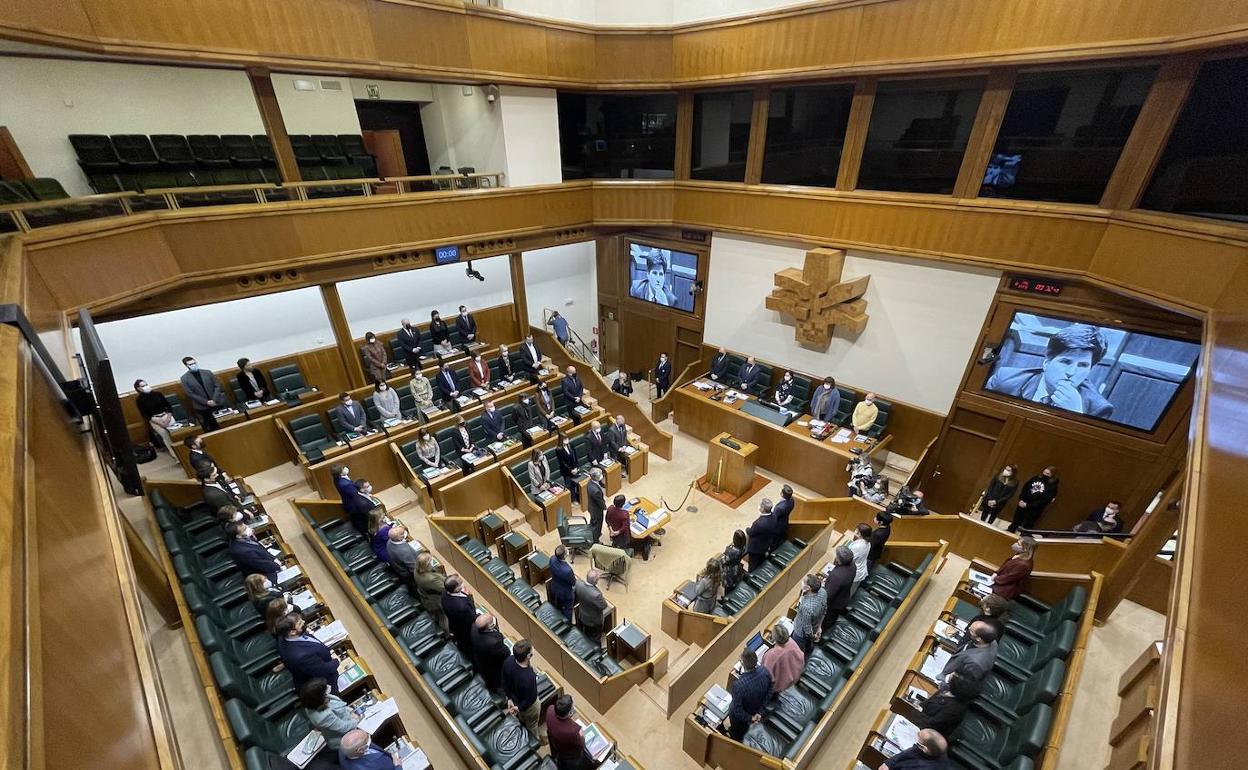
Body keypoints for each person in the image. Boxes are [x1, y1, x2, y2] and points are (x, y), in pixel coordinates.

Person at [986, 323, 1114, 418]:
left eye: (1083, 365)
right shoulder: (1005, 379)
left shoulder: (1098, 409)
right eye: (1065, 362)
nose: (1071, 372)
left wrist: (1075, 416)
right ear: (1047, 361)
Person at [276, 613, 340, 692]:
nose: (303, 622)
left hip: (318, 658)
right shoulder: (301, 657)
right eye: (299, 623)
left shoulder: (283, 637)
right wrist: (336, 661)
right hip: (324, 681)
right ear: (292, 632)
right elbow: (323, 670)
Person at [300, 678, 359, 750]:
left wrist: (350, 711)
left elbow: (339, 705)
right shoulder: (324, 716)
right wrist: (356, 720)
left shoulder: (312, 702)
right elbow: (343, 727)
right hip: (344, 738)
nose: (328, 687)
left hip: (349, 719)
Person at [916, 672, 980, 736]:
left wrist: (918, 712)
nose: (952, 673)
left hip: (927, 734)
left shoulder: (955, 709)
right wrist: (918, 707)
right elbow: (926, 703)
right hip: (919, 719)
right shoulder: (946, 689)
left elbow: (931, 725)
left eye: (956, 675)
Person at [728, 648, 772, 741]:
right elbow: (770, 691)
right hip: (760, 709)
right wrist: (760, 712)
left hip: (745, 718)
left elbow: (737, 710)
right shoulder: (764, 670)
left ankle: (735, 737)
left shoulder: (738, 685)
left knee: (731, 709)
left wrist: (751, 718)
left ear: (742, 663)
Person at [503, 639, 542, 740]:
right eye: (531, 650)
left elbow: (505, 681)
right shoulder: (529, 677)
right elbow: (530, 699)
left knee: (522, 719)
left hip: (515, 699)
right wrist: (519, 708)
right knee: (532, 726)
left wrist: (510, 699)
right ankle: (535, 740)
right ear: (528, 656)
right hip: (529, 707)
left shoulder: (509, 661)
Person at [179, 355, 228, 431]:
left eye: (194, 363)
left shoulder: (207, 372)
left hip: (216, 402)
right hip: (202, 406)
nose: (193, 365)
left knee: (226, 423)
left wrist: (214, 400)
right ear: (186, 366)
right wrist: (206, 402)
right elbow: (190, 393)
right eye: (190, 364)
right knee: (212, 427)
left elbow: (217, 386)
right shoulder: (184, 378)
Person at [545, 694, 591, 770]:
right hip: (570, 757)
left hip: (557, 746)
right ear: (570, 713)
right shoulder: (573, 732)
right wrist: (581, 736)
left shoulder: (550, 709)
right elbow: (581, 745)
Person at [1009, 466, 1059, 532]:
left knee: (1027, 525)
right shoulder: (1035, 478)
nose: (1044, 474)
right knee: (1016, 520)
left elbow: (1045, 501)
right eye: (1044, 472)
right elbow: (1025, 488)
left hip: (1034, 509)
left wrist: (1028, 505)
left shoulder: (1052, 487)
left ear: (1052, 475)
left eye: (1047, 474)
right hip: (1023, 503)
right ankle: (1011, 529)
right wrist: (1021, 499)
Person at [134, 379, 176, 451]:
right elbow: (145, 414)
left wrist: (168, 418)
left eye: (146, 384)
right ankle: (176, 457)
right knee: (166, 437)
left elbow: (168, 406)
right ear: (138, 389)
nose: (146, 387)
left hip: (166, 416)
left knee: (175, 434)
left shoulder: (158, 394)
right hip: (155, 419)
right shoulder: (139, 400)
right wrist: (159, 422)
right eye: (143, 386)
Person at [471, 613, 510, 691]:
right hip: (493, 667)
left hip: (480, 660)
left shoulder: (474, 627)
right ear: (489, 627)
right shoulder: (494, 643)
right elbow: (506, 653)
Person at [762, 623, 804, 693]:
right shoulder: (791, 641)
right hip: (795, 678)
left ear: (774, 638)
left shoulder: (770, 655)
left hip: (780, 689)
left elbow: (765, 678)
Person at [822, 545, 856, 632]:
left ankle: (824, 635)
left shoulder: (837, 576)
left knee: (827, 621)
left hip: (833, 605)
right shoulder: (853, 565)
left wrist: (823, 586)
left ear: (839, 559)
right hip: (844, 597)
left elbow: (828, 595)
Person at [879, 728, 949, 770]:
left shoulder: (920, 767)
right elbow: (913, 749)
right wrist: (890, 762)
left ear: (924, 748)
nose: (915, 743)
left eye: (918, 741)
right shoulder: (938, 750)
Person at [442, 575, 476, 658]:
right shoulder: (462, 607)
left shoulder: (444, 593)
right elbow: (472, 618)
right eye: (461, 583)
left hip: (454, 625)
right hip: (466, 631)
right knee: (470, 648)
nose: (463, 584)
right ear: (456, 589)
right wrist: (470, 597)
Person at [791, 574, 827, 654]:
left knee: (797, 651)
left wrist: (812, 637)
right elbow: (824, 610)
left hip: (800, 633)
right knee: (809, 645)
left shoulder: (806, 607)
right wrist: (819, 627)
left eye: (804, 582)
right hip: (816, 626)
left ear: (808, 588)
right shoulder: (823, 592)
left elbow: (806, 628)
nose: (802, 583)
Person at [992, 536, 1036, 600]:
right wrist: (996, 573)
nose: (1015, 544)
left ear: (1025, 548)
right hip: (998, 583)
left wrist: (995, 578)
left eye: (1018, 544)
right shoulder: (1018, 555)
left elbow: (1010, 577)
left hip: (1004, 591)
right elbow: (1004, 566)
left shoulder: (1024, 565)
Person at [414, 552, 448, 631]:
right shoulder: (430, 579)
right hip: (435, 601)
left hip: (426, 597)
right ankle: (447, 634)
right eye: (430, 561)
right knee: (443, 618)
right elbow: (444, 588)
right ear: (426, 565)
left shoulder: (416, 570)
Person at [573, 570, 609, 643]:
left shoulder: (578, 584)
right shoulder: (596, 595)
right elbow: (604, 606)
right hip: (594, 621)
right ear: (595, 580)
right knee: (595, 638)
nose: (598, 579)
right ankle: (596, 651)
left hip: (582, 615)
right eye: (598, 578)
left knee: (586, 632)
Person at [745, 499, 778, 572]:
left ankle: (751, 579)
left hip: (756, 548)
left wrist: (747, 529)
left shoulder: (759, 523)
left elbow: (751, 532)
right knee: (760, 562)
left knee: (752, 566)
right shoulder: (774, 516)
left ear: (762, 509)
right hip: (766, 545)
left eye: (760, 505)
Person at [548, 545, 576, 620]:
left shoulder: (552, 559)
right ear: (565, 555)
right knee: (567, 609)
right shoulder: (567, 570)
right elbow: (573, 582)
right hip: (565, 593)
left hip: (554, 587)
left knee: (558, 605)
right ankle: (567, 624)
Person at [555, 433, 579, 500]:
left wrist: (576, 467)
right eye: (565, 439)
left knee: (576, 483)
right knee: (569, 485)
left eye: (567, 438)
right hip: (566, 471)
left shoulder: (570, 445)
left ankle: (578, 497)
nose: (567, 440)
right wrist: (571, 470)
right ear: (561, 440)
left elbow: (575, 456)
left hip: (574, 468)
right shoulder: (558, 449)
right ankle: (573, 499)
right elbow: (562, 463)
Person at [848, 523, 871, 594]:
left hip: (855, 572)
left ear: (860, 533)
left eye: (856, 530)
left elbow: (848, 558)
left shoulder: (857, 546)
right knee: (852, 589)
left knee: (849, 592)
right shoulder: (868, 543)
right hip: (860, 569)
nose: (855, 531)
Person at [771, 484, 794, 550]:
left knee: (774, 541)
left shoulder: (780, 508)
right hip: (785, 522)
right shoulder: (792, 500)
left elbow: (774, 518)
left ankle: (772, 551)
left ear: (782, 494)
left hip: (778, 527)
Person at [586, 468, 606, 542]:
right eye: (600, 475)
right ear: (595, 477)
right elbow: (600, 502)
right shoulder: (595, 491)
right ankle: (595, 540)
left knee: (593, 521)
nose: (601, 476)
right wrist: (604, 507)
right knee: (598, 525)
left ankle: (592, 534)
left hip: (591, 507)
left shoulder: (590, 482)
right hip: (596, 510)